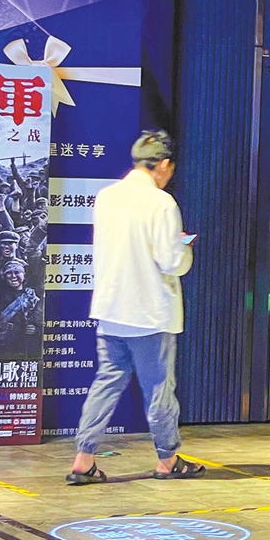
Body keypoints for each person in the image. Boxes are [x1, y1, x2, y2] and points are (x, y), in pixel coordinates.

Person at [68, 130, 202, 485]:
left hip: (111, 308)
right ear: (164, 165)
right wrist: (186, 247)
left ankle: (83, 458)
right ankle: (167, 459)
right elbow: (172, 261)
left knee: (106, 383)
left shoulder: (107, 197)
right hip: (149, 313)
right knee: (158, 388)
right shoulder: (161, 204)